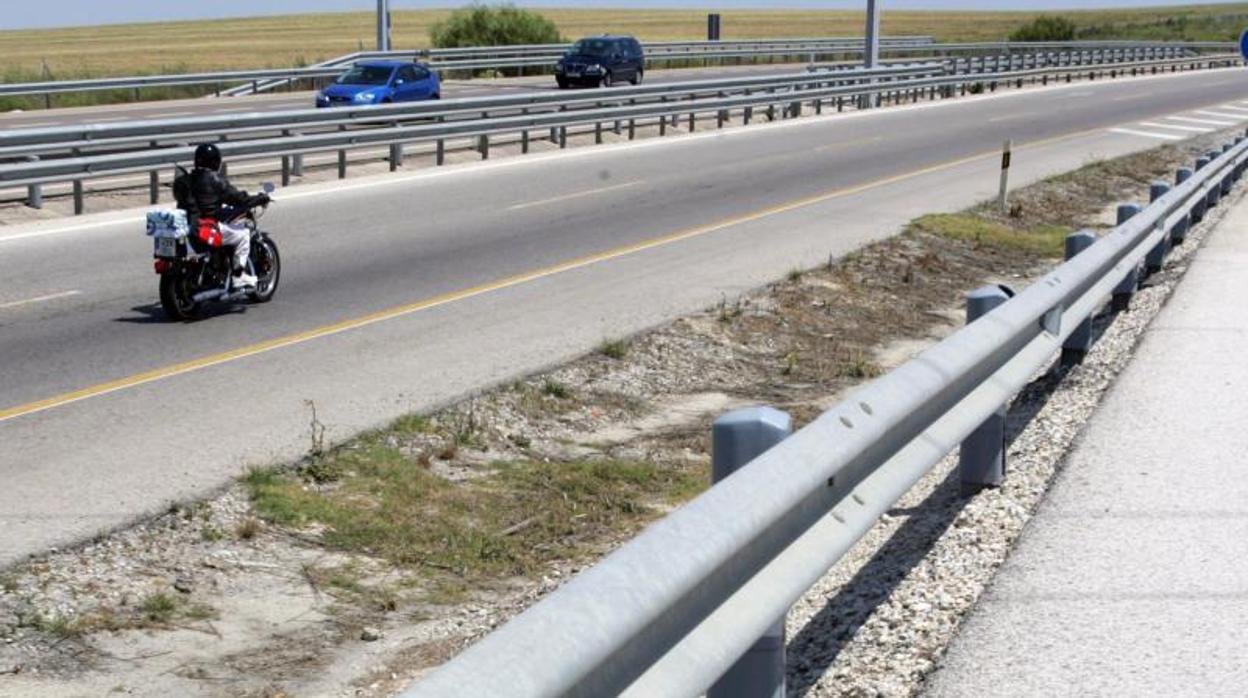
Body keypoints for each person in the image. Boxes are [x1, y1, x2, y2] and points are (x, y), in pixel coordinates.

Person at [173, 143, 269, 289]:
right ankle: (238, 276)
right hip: (206, 226)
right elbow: (237, 198)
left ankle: (218, 268)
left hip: (190, 225)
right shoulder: (215, 180)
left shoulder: (186, 180)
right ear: (215, 162)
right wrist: (258, 199)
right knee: (243, 235)